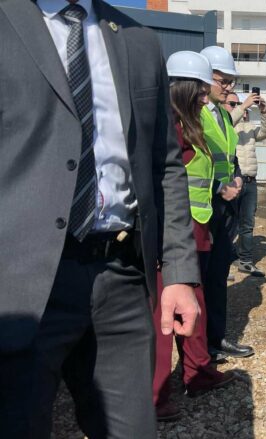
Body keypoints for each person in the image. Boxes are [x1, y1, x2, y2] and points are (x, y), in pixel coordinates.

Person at [0, 1, 200, 437]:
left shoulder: (138, 41)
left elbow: (165, 165)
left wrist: (181, 273)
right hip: (21, 288)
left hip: (121, 280)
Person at [153, 51, 237, 422]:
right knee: (165, 314)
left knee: (195, 305)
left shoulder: (190, 123)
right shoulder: (165, 126)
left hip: (196, 228)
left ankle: (198, 373)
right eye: (201, 91)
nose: (206, 98)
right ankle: (153, 395)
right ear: (182, 88)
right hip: (173, 233)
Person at [199, 46, 255, 361]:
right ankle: (200, 350)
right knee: (201, 281)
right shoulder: (191, 113)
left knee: (218, 277)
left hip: (224, 208)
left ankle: (217, 339)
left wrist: (233, 179)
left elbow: (227, 157)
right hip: (202, 209)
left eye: (231, 81)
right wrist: (219, 187)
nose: (229, 87)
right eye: (224, 80)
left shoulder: (222, 114)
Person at [223, 91, 266, 277]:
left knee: (247, 223)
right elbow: (227, 123)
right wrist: (243, 106)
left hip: (250, 181)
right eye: (232, 104)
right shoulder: (224, 124)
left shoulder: (249, 126)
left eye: (239, 103)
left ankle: (245, 260)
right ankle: (224, 262)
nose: (238, 107)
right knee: (227, 224)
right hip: (231, 180)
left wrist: (264, 112)